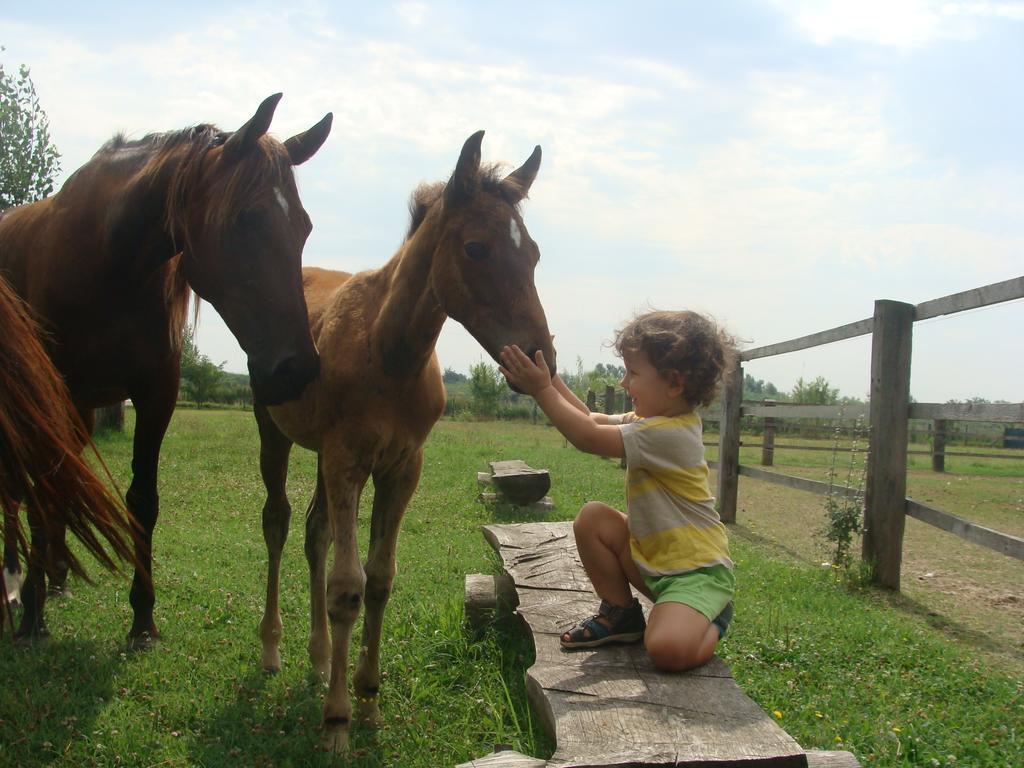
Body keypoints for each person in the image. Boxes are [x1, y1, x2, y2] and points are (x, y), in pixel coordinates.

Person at [498, 310, 736, 672]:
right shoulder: (650, 421)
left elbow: (587, 437)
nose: (624, 383)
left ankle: (711, 617)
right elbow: (590, 419)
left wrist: (541, 390)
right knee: (594, 518)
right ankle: (621, 614)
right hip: (654, 562)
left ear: (674, 382)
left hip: (695, 574)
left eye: (633, 373)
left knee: (666, 651)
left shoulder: (672, 433)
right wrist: (551, 378)